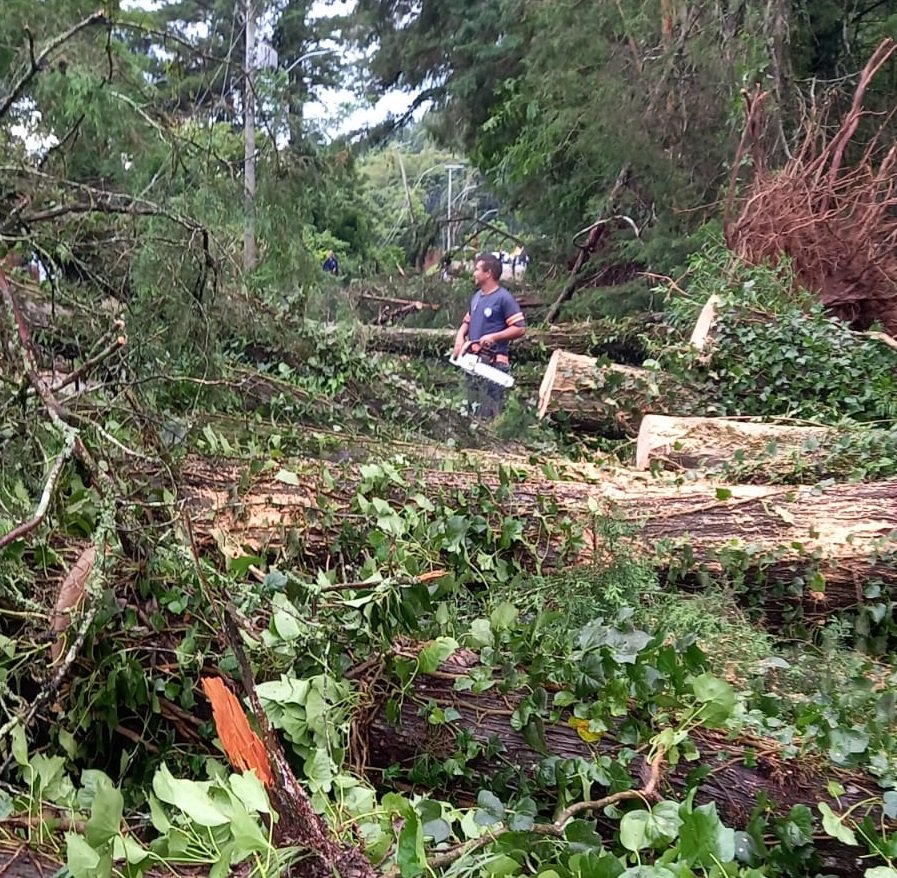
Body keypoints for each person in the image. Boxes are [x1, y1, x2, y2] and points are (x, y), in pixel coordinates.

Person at [452, 251, 526, 419]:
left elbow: (520, 328)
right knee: (470, 412)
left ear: (488, 273)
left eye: (477, 269)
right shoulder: (477, 297)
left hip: (494, 363)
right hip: (473, 362)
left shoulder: (503, 298)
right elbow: (467, 321)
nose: (474, 273)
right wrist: (460, 338)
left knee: (489, 414)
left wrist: (494, 337)